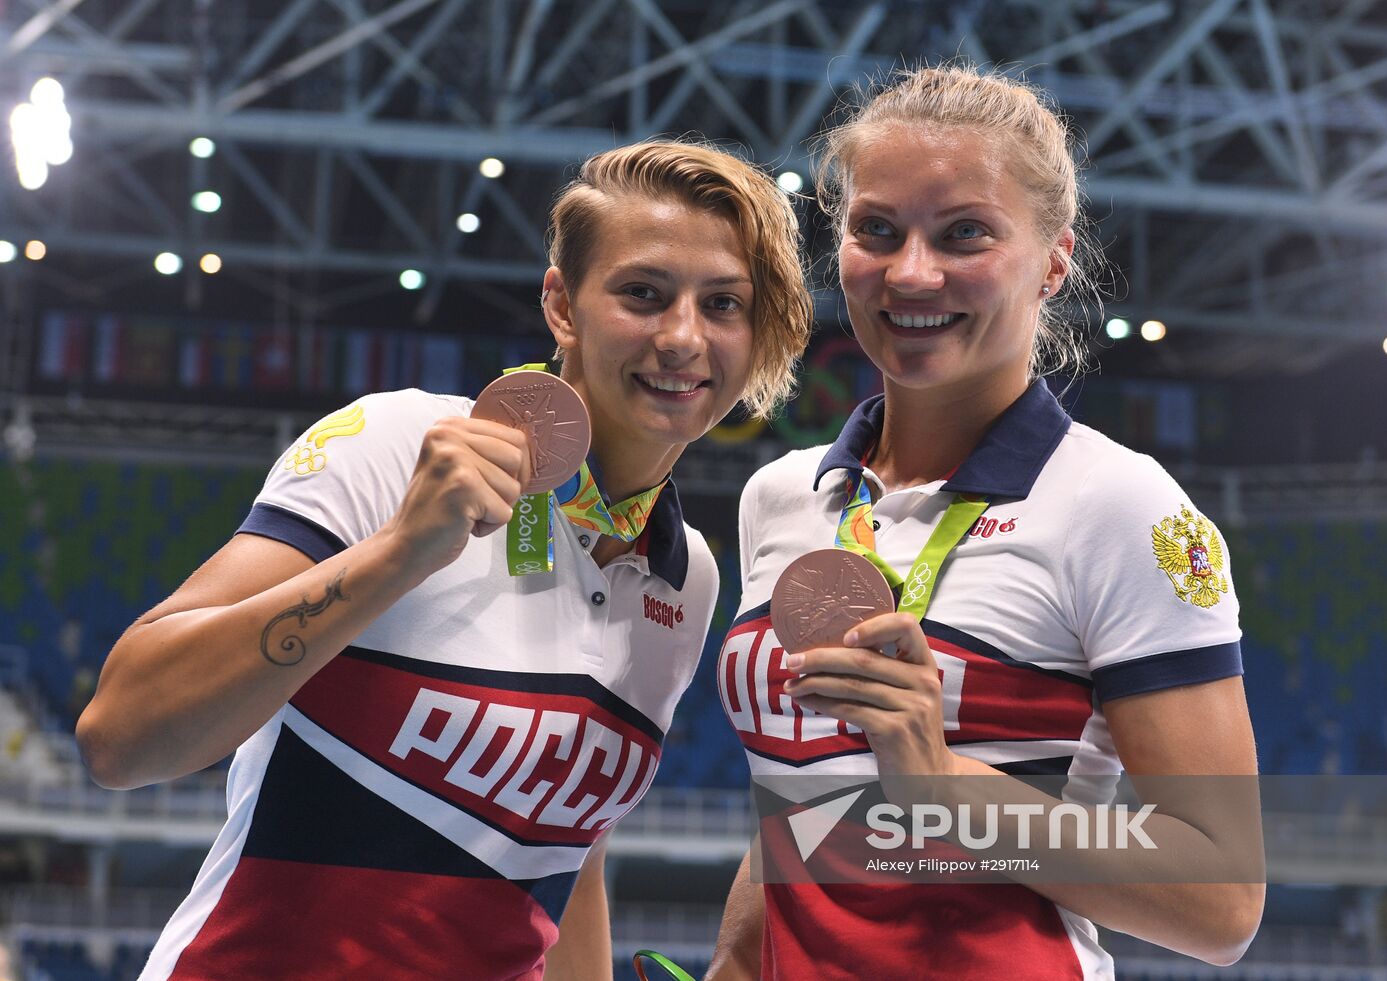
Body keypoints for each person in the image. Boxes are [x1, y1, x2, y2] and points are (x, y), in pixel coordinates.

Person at [76, 139, 812, 981]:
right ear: (563, 305)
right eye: (643, 293)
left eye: (723, 304)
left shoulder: (689, 581)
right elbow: (119, 736)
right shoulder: (400, 446)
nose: (682, 336)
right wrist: (398, 551)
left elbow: (569, 854)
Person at [706, 64, 1264, 980]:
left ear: (1054, 260)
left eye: (964, 233)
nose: (912, 271)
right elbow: (797, 804)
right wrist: (732, 961)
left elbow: (1222, 904)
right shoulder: (783, 495)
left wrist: (943, 785)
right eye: (876, 230)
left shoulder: (1120, 506)